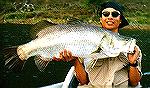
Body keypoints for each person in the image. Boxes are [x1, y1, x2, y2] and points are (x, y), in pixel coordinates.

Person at [52, 1, 142, 88]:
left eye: (114, 14)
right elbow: (83, 81)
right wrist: (74, 60)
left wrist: (133, 63)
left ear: (120, 20)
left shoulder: (131, 48)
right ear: (101, 19)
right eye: (106, 14)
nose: (110, 17)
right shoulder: (83, 43)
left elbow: (134, 83)